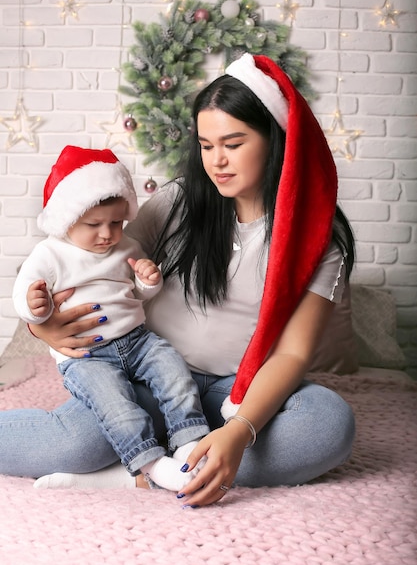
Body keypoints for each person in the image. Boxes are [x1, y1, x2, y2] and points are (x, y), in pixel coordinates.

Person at [0, 53, 355, 507]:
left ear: (275, 139)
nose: (217, 161)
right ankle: (164, 455)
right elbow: (85, 257)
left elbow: (292, 352)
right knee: (77, 444)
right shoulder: (179, 202)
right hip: (148, 373)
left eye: (234, 143)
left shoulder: (317, 239)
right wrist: (40, 325)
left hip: (234, 389)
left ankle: (141, 474)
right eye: (206, 146)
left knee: (327, 425)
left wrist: (239, 433)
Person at [11, 145, 210, 492]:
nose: (107, 234)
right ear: (66, 219)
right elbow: (25, 295)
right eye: (94, 225)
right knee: (116, 405)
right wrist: (35, 305)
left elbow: (139, 294)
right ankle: (150, 462)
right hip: (88, 356)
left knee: (174, 374)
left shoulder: (128, 247)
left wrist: (149, 279)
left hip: (138, 341)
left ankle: (189, 440)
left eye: (117, 222)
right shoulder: (50, 253)